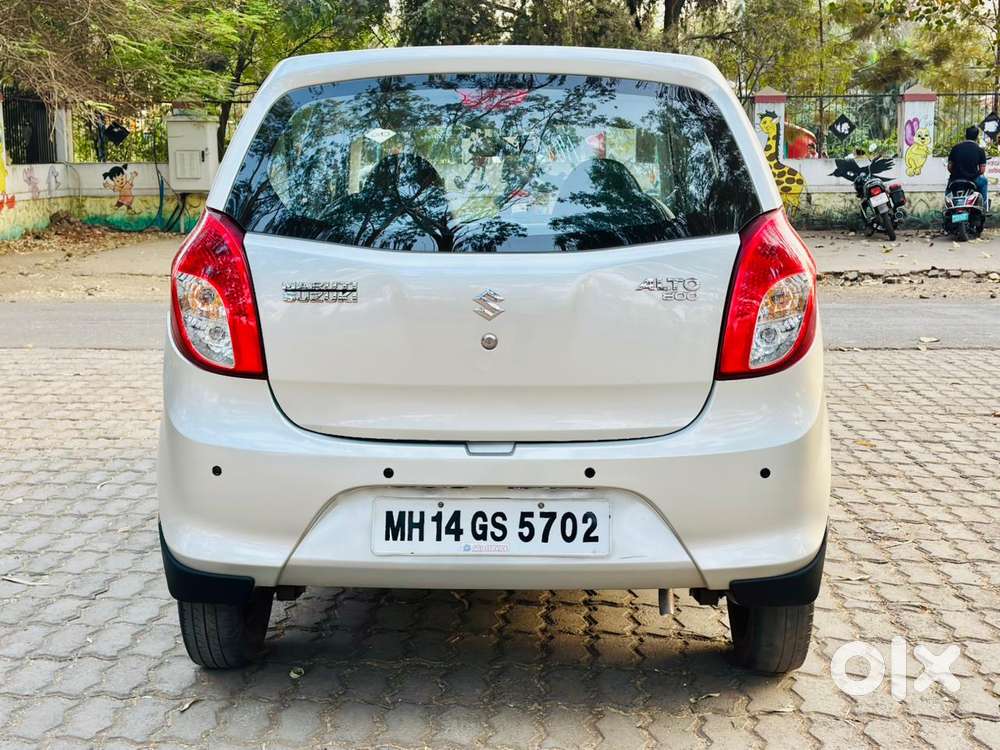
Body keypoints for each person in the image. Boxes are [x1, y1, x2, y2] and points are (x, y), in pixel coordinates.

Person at [947, 126, 989, 211]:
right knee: (984, 181)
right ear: (977, 137)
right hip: (972, 180)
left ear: (965, 135)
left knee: (948, 189)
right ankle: (984, 206)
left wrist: (956, 173)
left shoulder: (955, 148)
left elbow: (950, 167)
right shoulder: (980, 150)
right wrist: (975, 174)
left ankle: (947, 208)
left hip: (956, 179)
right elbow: (982, 170)